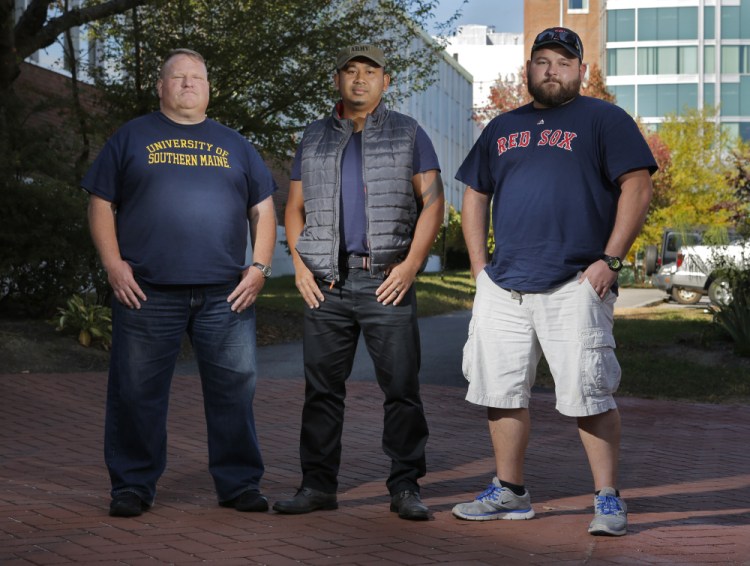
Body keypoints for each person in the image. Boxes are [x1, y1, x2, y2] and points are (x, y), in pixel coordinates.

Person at [451, 28, 656, 536]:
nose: (551, 70)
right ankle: (510, 492)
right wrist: (480, 269)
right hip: (505, 286)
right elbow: (475, 192)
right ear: (528, 70)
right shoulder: (501, 126)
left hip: (575, 283)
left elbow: (638, 184)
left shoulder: (604, 119)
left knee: (590, 394)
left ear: (581, 71)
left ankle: (607, 499)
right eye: (541, 61)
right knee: (501, 393)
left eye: (563, 62)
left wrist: (611, 258)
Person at [82, 48, 277, 518]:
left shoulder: (236, 145)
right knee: (136, 392)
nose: (188, 83)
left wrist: (260, 268)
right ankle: (131, 486)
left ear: (209, 88)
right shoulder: (131, 137)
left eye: (197, 77)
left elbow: (263, 211)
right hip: (147, 291)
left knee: (234, 391)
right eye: (178, 76)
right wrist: (113, 265)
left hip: (224, 295)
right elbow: (101, 202)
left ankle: (238, 484)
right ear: (161, 86)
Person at [274, 44, 445, 521]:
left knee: (401, 389)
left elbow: (433, 204)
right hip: (325, 284)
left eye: (370, 71)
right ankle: (317, 486)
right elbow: (294, 208)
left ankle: (406, 486)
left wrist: (410, 266)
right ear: (337, 81)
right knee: (322, 392)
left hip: (385, 279)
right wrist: (302, 266)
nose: (359, 79)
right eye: (349, 70)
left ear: (385, 82)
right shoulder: (312, 137)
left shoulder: (409, 132)